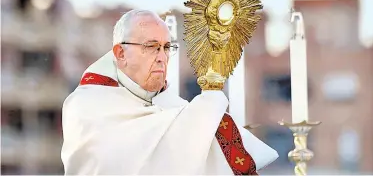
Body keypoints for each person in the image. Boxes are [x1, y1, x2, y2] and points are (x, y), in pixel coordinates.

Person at [61, 9, 278, 175]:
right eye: (151, 46)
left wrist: (208, 110)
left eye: (166, 48)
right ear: (121, 53)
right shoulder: (86, 106)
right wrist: (207, 108)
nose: (161, 57)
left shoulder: (175, 107)